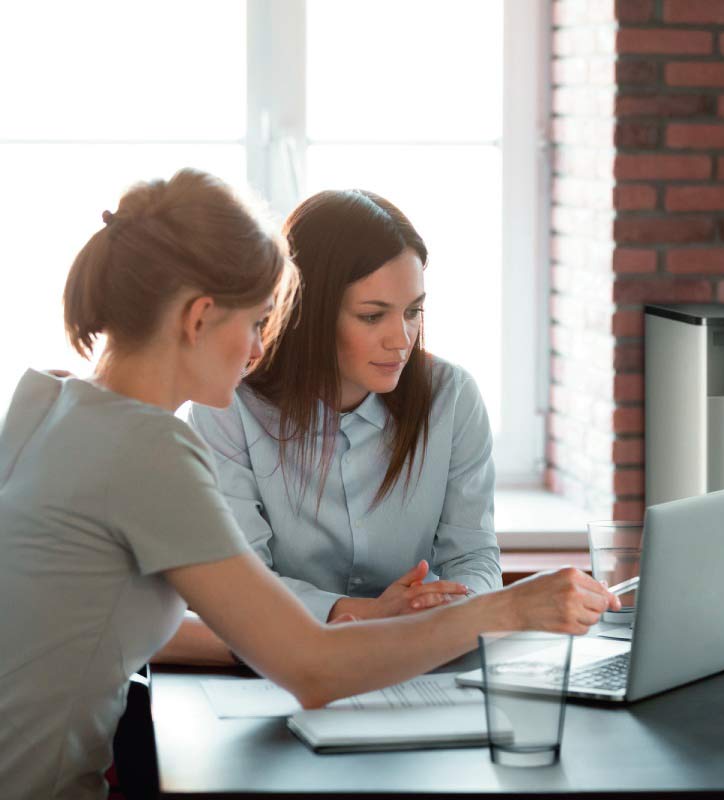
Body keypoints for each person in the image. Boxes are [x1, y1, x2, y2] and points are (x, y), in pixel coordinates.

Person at [0, 169, 619, 800]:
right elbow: (312, 670)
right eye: (258, 322)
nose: (260, 350)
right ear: (199, 319)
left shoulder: (47, 402)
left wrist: (330, 628)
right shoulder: (153, 449)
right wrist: (510, 608)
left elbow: (92, 627)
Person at [186, 189, 499, 626]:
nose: (402, 339)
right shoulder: (228, 405)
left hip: (420, 655)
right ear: (308, 311)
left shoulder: (453, 397)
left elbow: (476, 558)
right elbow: (239, 581)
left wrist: (446, 607)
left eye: (412, 312)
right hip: (273, 661)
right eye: (373, 316)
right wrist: (364, 614)